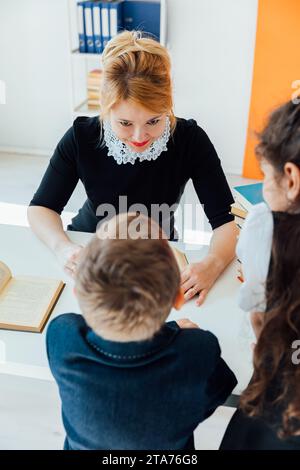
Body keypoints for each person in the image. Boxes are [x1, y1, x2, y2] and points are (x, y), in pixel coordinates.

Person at [28, 31, 238, 306]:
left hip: (159, 251)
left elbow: (226, 222)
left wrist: (212, 264)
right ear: (106, 110)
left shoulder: (190, 139)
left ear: (168, 106)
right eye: (125, 123)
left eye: (154, 121)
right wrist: (62, 248)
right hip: (90, 243)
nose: (139, 137)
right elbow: (41, 207)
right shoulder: (82, 137)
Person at [46, 213, 237, 450]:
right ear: (177, 298)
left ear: (78, 294)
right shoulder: (198, 348)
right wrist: (175, 332)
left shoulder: (62, 334)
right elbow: (218, 392)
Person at [220, 100, 300, 449]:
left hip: (278, 406)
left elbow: (257, 321)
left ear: (291, 178)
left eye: (266, 176)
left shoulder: (263, 228)